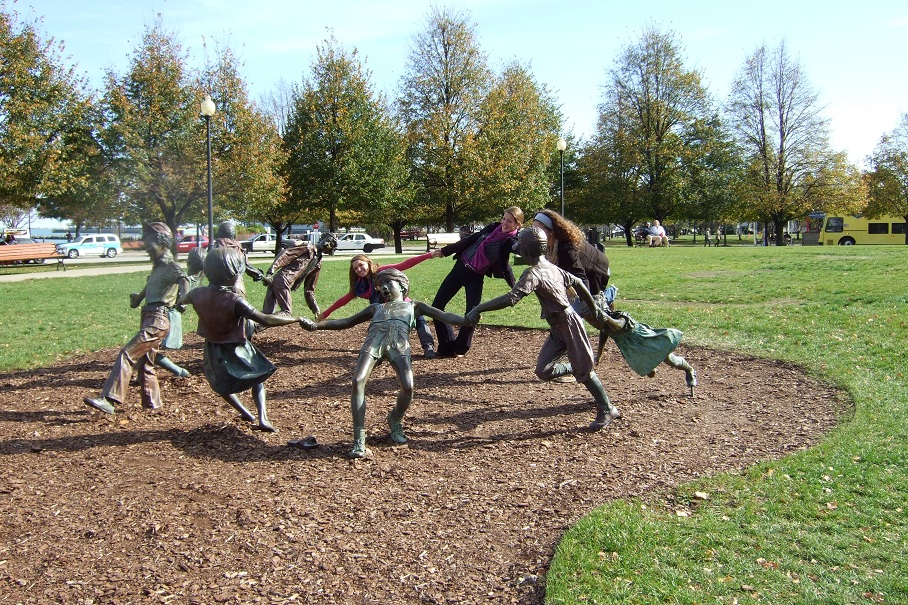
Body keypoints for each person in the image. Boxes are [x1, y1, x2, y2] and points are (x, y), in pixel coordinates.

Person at [464, 226, 622, 430]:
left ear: (528, 252)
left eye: (520, 249)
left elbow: (511, 298)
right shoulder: (551, 267)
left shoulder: (534, 273)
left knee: (585, 372)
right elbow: (578, 284)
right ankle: (578, 365)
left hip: (568, 324)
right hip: (558, 326)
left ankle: (607, 409)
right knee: (543, 370)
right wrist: (592, 306)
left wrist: (479, 308)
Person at [301, 268, 468, 458]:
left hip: (399, 346)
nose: (384, 289)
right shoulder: (376, 308)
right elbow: (346, 322)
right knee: (357, 381)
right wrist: (316, 326)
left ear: (403, 286)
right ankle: (359, 439)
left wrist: (466, 320)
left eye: (389, 284)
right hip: (373, 344)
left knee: (408, 386)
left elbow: (444, 316)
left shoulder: (414, 306)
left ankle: (395, 419)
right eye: (381, 287)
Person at [181, 245, 313, 433]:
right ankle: (261, 417)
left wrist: (180, 304)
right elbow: (264, 319)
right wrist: (296, 317)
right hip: (237, 347)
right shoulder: (235, 300)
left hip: (213, 347)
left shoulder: (197, 293)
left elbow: (182, 300)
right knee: (257, 378)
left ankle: (247, 413)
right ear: (230, 274)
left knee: (220, 385)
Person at [84, 222, 190, 415]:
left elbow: (184, 280)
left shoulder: (170, 265)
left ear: (163, 243)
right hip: (149, 317)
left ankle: (109, 399)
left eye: (150, 246)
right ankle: (153, 406)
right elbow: (145, 292)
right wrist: (137, 299)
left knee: (127, 353)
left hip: (157, 320)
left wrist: (184, 298)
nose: (146, 249)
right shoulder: (157, 268)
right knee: (147, 364)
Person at [430, 206, 524, 357]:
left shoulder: (510, 241)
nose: (504, 223)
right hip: (459, 268)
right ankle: (446, 346)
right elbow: (470, 239)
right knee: (437, 305)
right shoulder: (493, 227)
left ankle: (460, 347)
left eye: (509, 221)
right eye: (504, 218)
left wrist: (517, 287)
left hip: (475, 277)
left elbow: (520, 250)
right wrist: (445, 251)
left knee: (472, 313)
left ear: (517, 225)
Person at [318, 250, 443, 358]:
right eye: (355, 268)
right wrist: (325, 313)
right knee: (379, 325)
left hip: (401, 305)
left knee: (419, 318)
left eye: (361, 265)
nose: (359, 269)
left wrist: (429, 255)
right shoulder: (360, 285)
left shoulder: (381, 271)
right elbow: (344, 299)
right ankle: (381, 348)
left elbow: (404, 264)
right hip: (384, 312)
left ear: (368, 262)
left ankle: (428, 347)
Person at [595, 308, 698, 397]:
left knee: (671, 360)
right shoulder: (602, 323)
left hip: (644, 340)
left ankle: (689, 370)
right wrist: (599, 354)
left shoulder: (620, 317)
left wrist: (606, 318)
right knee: (649, 372)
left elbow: (619, 325)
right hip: (630, 349)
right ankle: (650, 365)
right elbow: (604, 331)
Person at [261, 232, 336, 318]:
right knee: (286, 313)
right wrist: (270, 272)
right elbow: (286, 254)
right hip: (282, 280)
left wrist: (315, 310)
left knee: (266, 314)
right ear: (321, 239)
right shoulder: (307, 248)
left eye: (331, 244)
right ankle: (253, 323)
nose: (327, 244)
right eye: (327, 240)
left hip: (284, 283)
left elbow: (309, 290)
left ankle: (253, 325)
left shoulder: (317, 264)